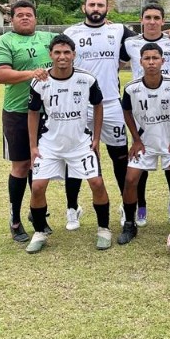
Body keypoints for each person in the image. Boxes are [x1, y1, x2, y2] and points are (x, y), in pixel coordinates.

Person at [27, 35, 111, 253]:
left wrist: (96, 138)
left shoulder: (87, 79)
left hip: (80, 143)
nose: (62, 57)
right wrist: (33, 147)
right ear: (51, 55)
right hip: (49, 144)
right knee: (37, 187)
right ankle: (39, 231)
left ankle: (103, 229)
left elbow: (98, 105)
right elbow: (33, 113)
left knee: (97, 184)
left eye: (66, 53)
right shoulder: (40, 81)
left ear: (74, 54)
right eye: (57, 52)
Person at [63, 0, 135, 232]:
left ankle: (127, 207)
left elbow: (148, 38)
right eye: (92, 4)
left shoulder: (118, 31)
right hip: (80, 107)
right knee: (77, 158)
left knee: (120, 158)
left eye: (100, 5)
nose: (96, 9)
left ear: (107, 8)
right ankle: (72, 208)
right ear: (84, 7)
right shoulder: (71, 33)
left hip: (111, 104)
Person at [0, 0, 53, 243]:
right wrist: (32, 73)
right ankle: (15, 219)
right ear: (12, 19)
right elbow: (1, 75)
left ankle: (37, 215)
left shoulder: (48, 38)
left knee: (41, 165)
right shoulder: (5, 41)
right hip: (17, 112)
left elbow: (71, 49)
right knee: (21, 165)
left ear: (36, 18)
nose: (25, 18)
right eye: (20, 15)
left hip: (47, 113)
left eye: (29, 14)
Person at [120, 4, 170, 227]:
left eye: (156, 17)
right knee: (139, 171)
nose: (151, 21)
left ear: (163, 21)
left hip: (167, 109)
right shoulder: (129, 42)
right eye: (147, 17)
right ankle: (140, 208)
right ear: (141, 20)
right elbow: (114, 53)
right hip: (143, 113)